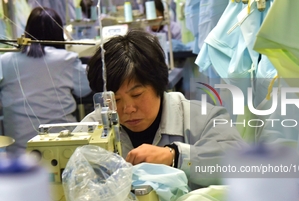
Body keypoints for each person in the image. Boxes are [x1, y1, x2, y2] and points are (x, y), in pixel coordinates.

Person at [78, 30, 246, 189]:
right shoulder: (93, 128)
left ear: (159, 85)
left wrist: (176, 156)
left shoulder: (203, 118)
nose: (128, 109)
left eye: (136, 94)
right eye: (115, 100)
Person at [0, 7, 92, 154]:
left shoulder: (4, 61)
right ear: (58, 33)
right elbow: (87, 87)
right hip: (63, 149)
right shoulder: (65, 59)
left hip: (19, 154)